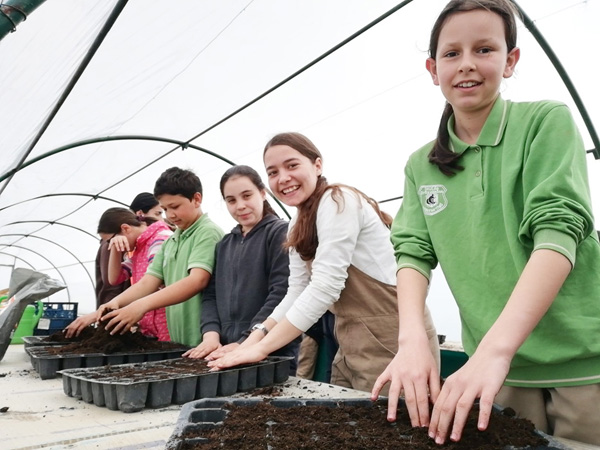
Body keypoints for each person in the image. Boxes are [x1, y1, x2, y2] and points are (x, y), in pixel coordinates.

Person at [371, 0, 600, 446]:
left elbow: (557, 230)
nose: (467, 65)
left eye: (484, 49)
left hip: (584, 363)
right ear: (432, 69)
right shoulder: (422, 164)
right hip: (496, 373)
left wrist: (496, 350)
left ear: (510, 60)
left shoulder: (544, 122)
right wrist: (413, 340)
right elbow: (413, 251)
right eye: (451, 53)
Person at [208, 132, 440, 393]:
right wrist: (251, 341)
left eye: (292, 165)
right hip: (350, 341)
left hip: (391, 338)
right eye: (272, 172)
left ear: (317, 165)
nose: (283, 178)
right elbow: (296, 292)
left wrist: (262, 349)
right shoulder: (297, 223)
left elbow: (325, 286)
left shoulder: (338, 200)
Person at [68, 167, 224, 347]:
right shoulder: (172, 240)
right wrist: (114, 303)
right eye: (164, 209)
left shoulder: (207, 232)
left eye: (175, 207)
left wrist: (140, 306)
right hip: (178, 337)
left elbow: (197, 280)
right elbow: (147, 281)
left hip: (203, 337)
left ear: (197, 199)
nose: (170, 215)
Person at [184, 165, 300, 373]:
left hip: (272, 353)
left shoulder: (279, 233)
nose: (240, 206)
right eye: (231, 200)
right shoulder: (224, 244)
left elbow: (281, 293)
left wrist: (246, 341)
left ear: (263, 193)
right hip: (227, 350)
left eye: (247, 196)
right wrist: (211, 334)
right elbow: (210, 295)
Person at [97, 207, 172, 341]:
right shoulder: (139, 247)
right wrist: (115, 248)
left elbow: (153, 283)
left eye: (110, 240)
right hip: (151, 327)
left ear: (125, 228)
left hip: (167, 326)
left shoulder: (160, 239)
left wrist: (116, 303)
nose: (109, 244)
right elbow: (115, 278)